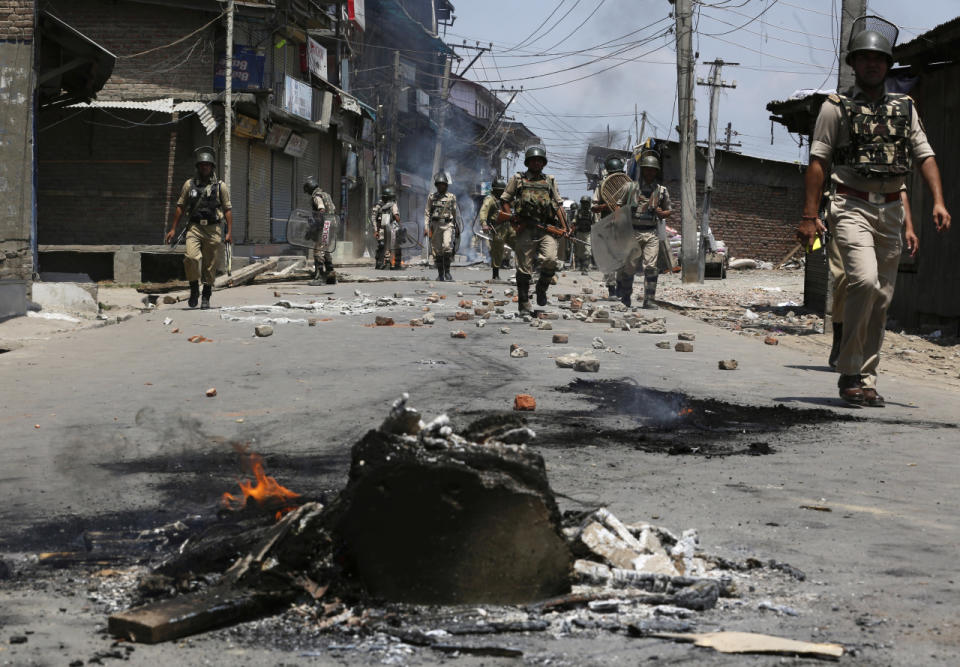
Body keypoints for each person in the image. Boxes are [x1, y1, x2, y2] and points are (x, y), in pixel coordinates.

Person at [797, 19, 950, 406]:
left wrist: (937, 200)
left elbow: (924, 156)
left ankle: (865, 377)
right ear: (854, 63)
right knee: (862, 282)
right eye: (864, 58)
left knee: (881, 297)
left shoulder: (905, 109)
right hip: (850, 204)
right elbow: (818, 163)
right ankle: (848, 369)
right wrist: (808, 214)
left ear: (887, 65)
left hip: (892, 210)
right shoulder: (836, 108)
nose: (872, 65)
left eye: (878, 59)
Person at [827, 188, 917, 370]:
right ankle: (840, 338)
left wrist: (909, 227)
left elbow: (901, 190)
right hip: (845, 213)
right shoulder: (840, 164)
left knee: (877, 286)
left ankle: (862, 361)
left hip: (882, 219)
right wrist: (811, 217)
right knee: (845, 278)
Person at [500, 146, 566, 313]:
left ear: (543, 163)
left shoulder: (550, 181)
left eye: (539, 160)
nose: (536, 163)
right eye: (533, 160)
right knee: (523, 267)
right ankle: (523, 303)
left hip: (546, 228)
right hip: (526, 228)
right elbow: (505, 199)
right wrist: (512, 218)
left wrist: (565, 226)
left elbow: (558, 205)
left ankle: (542, 289)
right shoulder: (518, 179)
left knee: (551, 259)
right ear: (528, 162)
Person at [165, 146, 232, 309]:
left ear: (212, 167)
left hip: (213, 229)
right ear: (198, 167)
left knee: (210, 265)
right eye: (202, 165)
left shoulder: (220, 186)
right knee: (191, 258)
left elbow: (227, 209)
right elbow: (180, 206)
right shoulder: (189, 185)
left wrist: (229, 232)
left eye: (207, 165)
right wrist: (173, 228)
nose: (204, 167)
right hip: (194, 228)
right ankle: (194, 288)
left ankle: (206, 296)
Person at [616, 152, 671, 308]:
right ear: (642, 170)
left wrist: (662, 213)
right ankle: (626, 296)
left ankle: (649, 300)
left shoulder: (661, 191)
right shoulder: (630, 187)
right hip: (632, 231)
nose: (649, 172)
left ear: (656, 172)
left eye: (652, 170)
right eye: (647, 169)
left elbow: (668, 210)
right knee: (630, 266)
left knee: (651, 268)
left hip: (651, 232)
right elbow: (618, 205)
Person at [592, 156, 627, 299]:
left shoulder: (628, 186)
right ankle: (612, 289)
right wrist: (607, 204)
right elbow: (594, 207)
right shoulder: (601, 186)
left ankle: (621, 287)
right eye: (613, 173)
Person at [424, 172, 462, 282]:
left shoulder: (451, 197)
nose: (441, 186)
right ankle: (440, 274)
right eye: (439, 184)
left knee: (446, 246)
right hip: (435, 225)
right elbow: (427, 212)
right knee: (437, 251)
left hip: (447, 224)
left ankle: (448, 273)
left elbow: (455, 213)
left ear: (446, 185)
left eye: (443, 184)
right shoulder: (432, 197)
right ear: (436, 185)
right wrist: (426, 227)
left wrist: (457, 226)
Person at [476, 178, 513, 281]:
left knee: (519, 245)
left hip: (509, 226)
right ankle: (495, 274)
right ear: (495, 190)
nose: (502, 192)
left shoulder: (505, 199)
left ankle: (523, 271)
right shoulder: (490, 199)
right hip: (498, 227)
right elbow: (483, 211)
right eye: (500, 190)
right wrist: (484, 224)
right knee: (497, 250)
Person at [303, 175, 337, 285]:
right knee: (325, 249)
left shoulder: (316, 196)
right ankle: (331, 274)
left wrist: (315, 225)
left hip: (326, 224)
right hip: (333, 223)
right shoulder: (326, 195)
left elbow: (321, 209)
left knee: (318, 250)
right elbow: (333, 209)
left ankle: (319, 277)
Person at [372, 187, 401, 270]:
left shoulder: (393, 204)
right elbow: (374, 218)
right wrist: (375, 230)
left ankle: (391, 262)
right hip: (381, 228)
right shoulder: (378, 205)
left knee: (392, 246)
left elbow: (397, 218)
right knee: (382, 245)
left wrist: (395, 216)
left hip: (391, 228)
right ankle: (379, 262)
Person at [571, 195, 595, 275]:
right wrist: (573, 232)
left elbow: (595, 223)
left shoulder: (592, 212)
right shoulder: (578, 211)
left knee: (587, 251)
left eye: (586, 203)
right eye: (583, 203)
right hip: (579, 233)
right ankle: (579, 266)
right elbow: (574, 222)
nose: (585, 204)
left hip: (588, 233)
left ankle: (586, 268)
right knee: (579, 251)